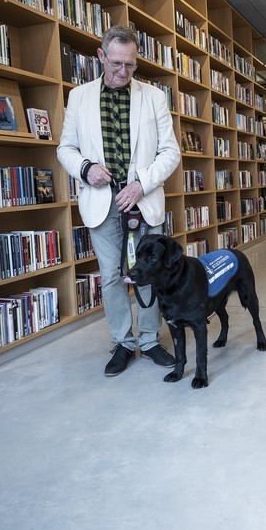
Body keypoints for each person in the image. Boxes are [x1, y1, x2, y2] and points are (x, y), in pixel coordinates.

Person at [57, 26, 181, 376]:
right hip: (101, 203)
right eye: (116, 64)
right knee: (111, 277)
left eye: (130, 65)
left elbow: (171, 152)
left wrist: (142, 184)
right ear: (100, 56)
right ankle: (124, 344)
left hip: (143, 202)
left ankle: (151, 340)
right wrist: (85, 168)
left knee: (150, 274)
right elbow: (65, 148)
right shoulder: (78, 97)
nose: (123, 72)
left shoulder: (154, 97)